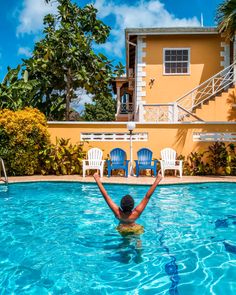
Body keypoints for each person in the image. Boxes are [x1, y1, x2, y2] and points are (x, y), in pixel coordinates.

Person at [93, 170, 162, 235]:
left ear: (121, 205)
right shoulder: (136, 213)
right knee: (139, 230)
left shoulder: (118, 213)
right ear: (133, 206)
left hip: (123, 229)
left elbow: (106, 196)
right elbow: (147, 196)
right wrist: (157, 180)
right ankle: (138, 242)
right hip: (135, 228)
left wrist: (97, 179)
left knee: (123, 238)